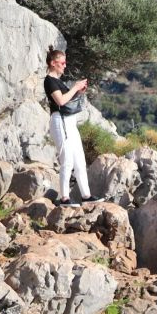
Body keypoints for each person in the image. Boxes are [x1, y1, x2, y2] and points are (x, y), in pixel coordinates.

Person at [43, 47, 99, 207]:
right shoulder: (49, 80)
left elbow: (69, 99)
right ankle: (64, 198)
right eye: (62, 62)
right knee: (67, 160)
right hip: (61, 122)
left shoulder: (58, 81)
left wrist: (79, 92)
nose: (65, 65)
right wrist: (74, 87)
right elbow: (60, 101)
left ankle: (86, 195)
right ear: (53, 63)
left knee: (79, 159)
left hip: (69, 122)